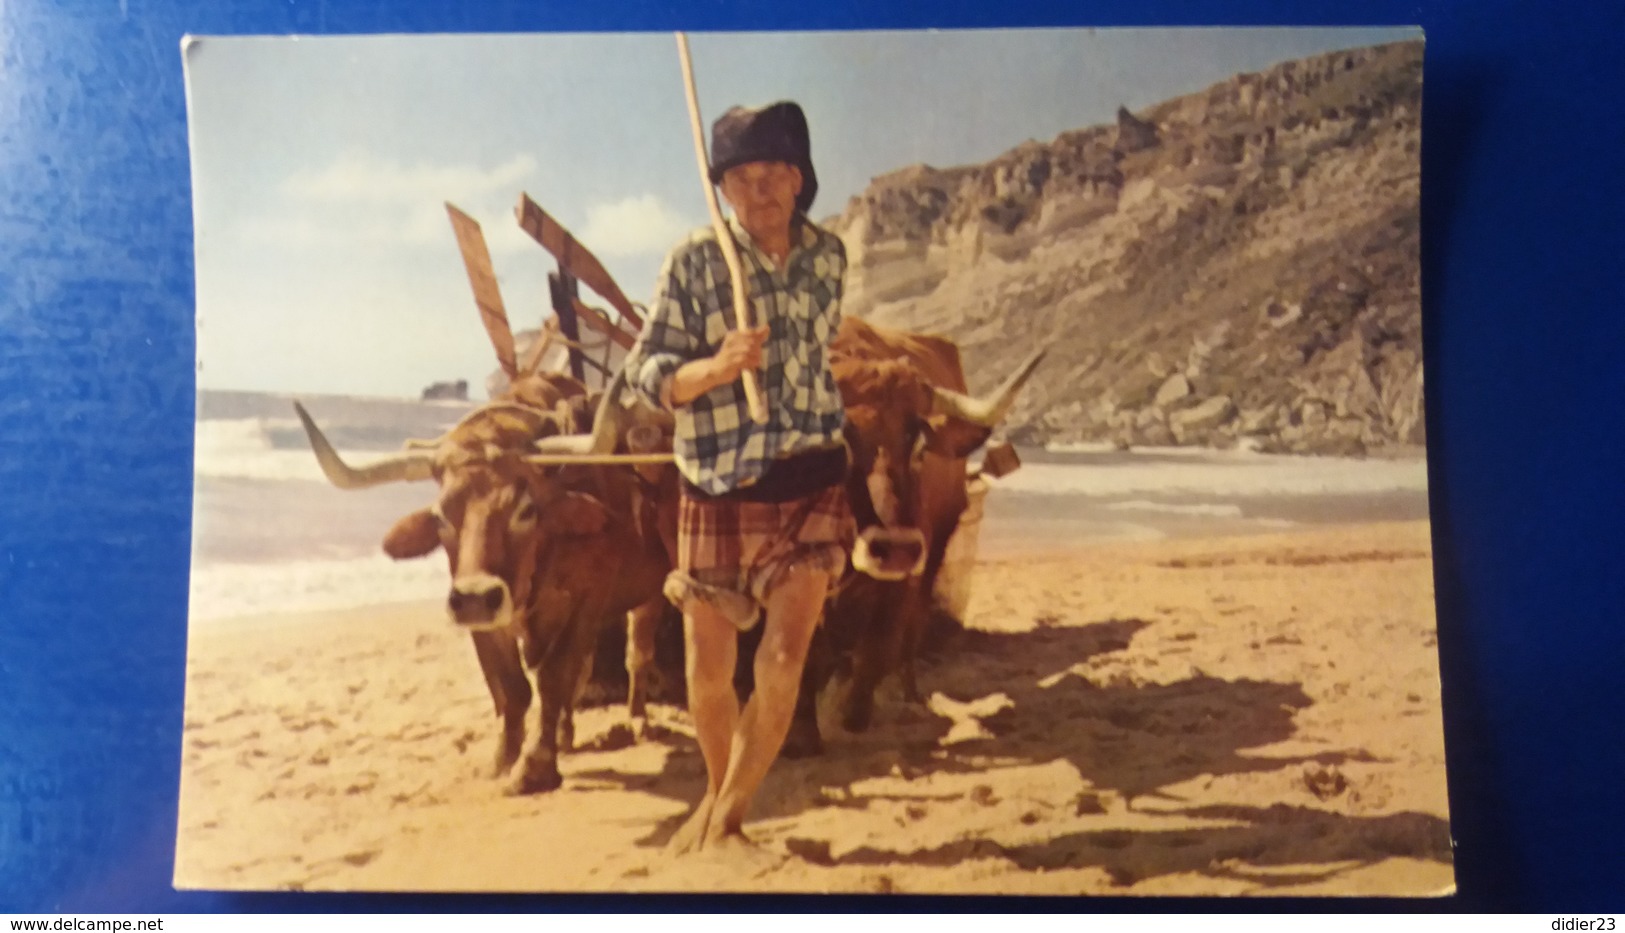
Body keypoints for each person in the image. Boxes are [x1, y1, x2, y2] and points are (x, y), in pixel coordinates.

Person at [623, 100, 851, 853]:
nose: (758, 193)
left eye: (773, 175)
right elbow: (645, 374)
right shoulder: (693, 259)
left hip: (811, 474)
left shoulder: (829, 257)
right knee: (710, 670)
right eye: (741, 179)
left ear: (797, 178)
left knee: (785, 656)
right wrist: (713, 369)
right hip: (717, 480)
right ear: (722, 188)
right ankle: (719, 793)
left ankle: (726, 817)